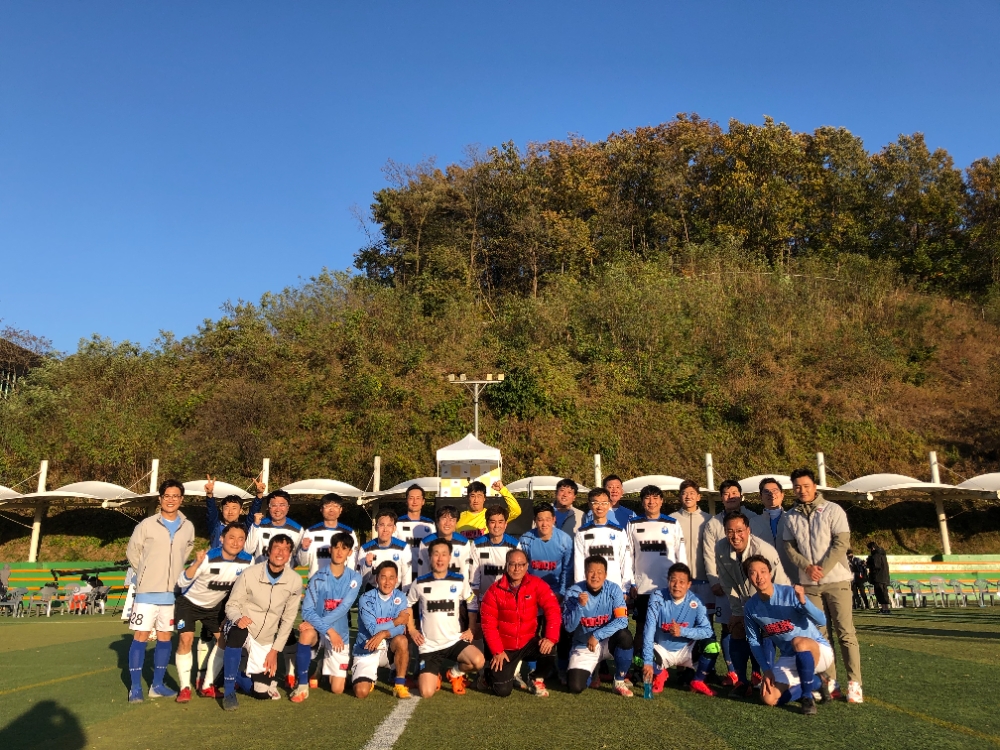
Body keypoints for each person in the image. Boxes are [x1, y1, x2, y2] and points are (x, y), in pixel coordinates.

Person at [782, 467, 863, 704]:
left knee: (845, 632)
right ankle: (830, 682)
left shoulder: (832, 509)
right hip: (809, 583)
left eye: (806, 486)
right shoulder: (790, 516)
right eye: (797, 487)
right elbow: (789, 547)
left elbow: (841, 542)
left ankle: (854, 683)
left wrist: (823, 568)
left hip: (836, 580)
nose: (802, 490)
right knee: (820, 635)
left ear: (815, 487)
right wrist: (807, 567)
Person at [124, 479, 195, 703]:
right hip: (147, 592)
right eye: (167, 496)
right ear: (160, 498)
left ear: (181, 499)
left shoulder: (188, 527)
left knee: (165, 638)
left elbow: (187, 550)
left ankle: (157, 685)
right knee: (141, 636)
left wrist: (175, 574)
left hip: (171, 594)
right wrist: (145, 573)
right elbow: (132, 552)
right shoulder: (146, 525)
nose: (171, 500)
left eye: (175, 496)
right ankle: (135, 687)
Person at [743, 555, 836, 716]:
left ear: (770, 573)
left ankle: (807, 698)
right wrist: (767, 670)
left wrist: (803, 601)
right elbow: (753, 641)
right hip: (790, 656)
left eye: (763, 571)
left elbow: (821, 621)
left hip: (817, 650)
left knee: (798, 642)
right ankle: (817, 682)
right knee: (768, 697)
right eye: (753, 573)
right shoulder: (751, 607)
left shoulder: (789, 593)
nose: (759, 577)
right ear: (749, 578)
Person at [221, 534, 303, 710]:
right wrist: (238, 618)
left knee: (261, 692)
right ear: (268, 551)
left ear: (289, 554)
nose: (280, 553)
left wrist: (274, 651)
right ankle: (229, 692)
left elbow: (288, 620)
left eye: (286, 549)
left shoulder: (295, 581)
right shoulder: (249, 573)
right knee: (237, 632)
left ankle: (234, 673)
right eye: (277, 548)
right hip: (243, 626)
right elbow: (231, 604)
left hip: (265, 639)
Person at [173, 522, 253, 701]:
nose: (236, 542)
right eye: (231, 538)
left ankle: (207, 686)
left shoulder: (248, 561)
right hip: (189, 603)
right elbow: (182, 582)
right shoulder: (208, 558)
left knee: (223, 640)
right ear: (222, 539)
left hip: (214, 607)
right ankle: (184, 688)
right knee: (186, 639)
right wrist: (196, 564)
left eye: (241, 539)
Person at [715, 511, 790, 696]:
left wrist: (770, 613)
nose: (735, 536)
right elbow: (727, 582)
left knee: (766, 631)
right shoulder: (721, 548)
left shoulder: (764, 551)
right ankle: (741, 682)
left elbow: (779, 583)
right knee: (737, 628)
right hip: (744, 601)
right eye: (730, 531)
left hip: (772, 600)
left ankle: (764, 679)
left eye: (739, 530)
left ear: (748, 530)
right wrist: (737, 612)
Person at [702, 478, 764, 684]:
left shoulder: (753, 518)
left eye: (734, 493)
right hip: (726, 584)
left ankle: (756, 672)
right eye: (726, 494)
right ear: (721, 498)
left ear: (741, 496)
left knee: (755, 626)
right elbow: (709, 554)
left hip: (752, 583)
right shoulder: (713, 523)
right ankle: (733, 672)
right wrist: (714, 580)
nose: (731, 497)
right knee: (730, 626)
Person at [406, 538, 485, 698]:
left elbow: (471, 601)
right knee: (426, 692)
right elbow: (407, 605)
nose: (440, 558)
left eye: (444, 554)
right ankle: (434, 674)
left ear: (449, 557)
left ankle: (454, 673)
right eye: (436, 554)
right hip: (429, 646)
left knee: (478, 661)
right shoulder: (419, 582)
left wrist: (471, 627)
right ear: (430, 557)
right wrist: (412, 629)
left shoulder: (459, 580)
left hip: (453, 641)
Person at [479, 548, 561, 697]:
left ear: (527, 566)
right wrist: (497, 651)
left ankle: (535, 678)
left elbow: (553, 608)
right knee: (502, 691)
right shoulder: (494, 591)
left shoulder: (536, 584)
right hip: (505, 648)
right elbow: (488, 625)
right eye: (512, 564)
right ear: (506, 565)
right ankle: (488, 675)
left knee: (550, 649)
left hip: (527, 641)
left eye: (521, 564)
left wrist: (550, 637)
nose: (517, 568)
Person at [291, 532, 362, 702]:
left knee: (337, 689)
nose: (339, 552)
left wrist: (326, 628)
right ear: (330, 550)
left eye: (344, 548)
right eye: (336, 547)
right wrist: (328, 630)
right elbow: (307, 611)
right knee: (306, 633)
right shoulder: (317, 578)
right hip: (322, 631)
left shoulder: (355, 578)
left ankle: (323, 665)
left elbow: (343, 609)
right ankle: (302, 685)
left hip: (339, 633)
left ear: (349, 552)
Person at [627, 485, 686, 674]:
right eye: (647, 498)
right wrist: (631, 582)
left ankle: (672, 669)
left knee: (670, 627)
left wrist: (682, 581)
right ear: (642, 501)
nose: (651, 502)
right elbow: (628, 555)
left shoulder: (672, 524)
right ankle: (638, 667)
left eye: (655, 498)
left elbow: (680, 555)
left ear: (661, 501)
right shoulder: (633, 524)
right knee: (642, 628)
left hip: (668, 588)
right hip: (642, 588)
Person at [641, 562, 718, 697]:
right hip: (662, 649)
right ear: (668, 581)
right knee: (638, 656)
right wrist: (647, 662)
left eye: (682, 582)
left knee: (712, 646)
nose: (677, 585)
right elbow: (649, 630)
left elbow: (707, 631)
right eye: (673, 580)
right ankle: (660, 673)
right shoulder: (657, 597)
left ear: (689, 584)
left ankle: (698, 680)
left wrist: (682, 631)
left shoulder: (696, 601)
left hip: (687, 650)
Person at [563, 555, 634, 697]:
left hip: (607, 642)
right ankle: (593, 672)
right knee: (575, 687)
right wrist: (579, 606)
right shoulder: (573, 592)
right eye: (591, 572)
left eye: (599, 572)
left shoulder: (614, 589)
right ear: (585, 573)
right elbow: (569, 627)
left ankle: (619, 681)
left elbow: (622, 621)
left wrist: (597, 635)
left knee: (625, 636)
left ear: (605, 575)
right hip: (584, 645)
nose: (595, 576)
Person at [518, 503, 574, 682]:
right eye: (540, 520)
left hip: (556, 594)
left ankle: (562, 668)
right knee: (532, 632)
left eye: (548, 519)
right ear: (535, 521)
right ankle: (534, 670)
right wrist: (527, 592)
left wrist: (562, 593)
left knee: (559, 632)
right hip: (532, 593)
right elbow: (521, 568)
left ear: (554, 520)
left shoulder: (565, 540)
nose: (544, 524)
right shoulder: (526, 539)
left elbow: (567, 570)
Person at [352, 561, 412, 699]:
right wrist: (396, 621)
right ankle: (368, 678)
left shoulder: (400, 597)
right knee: (361, 692)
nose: (387, 582)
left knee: (402, 640)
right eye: (383, 577)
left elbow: (401, 628)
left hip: (388, 650)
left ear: (396, 580)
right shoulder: (366, 599)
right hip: (367, 649)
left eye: (391, 578)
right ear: (376, 579)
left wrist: (384, 633)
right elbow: (373, 629)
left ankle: (399, 685)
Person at [669, 480, 715, 618]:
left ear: (698, 497)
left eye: (692, 493)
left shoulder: (709, 519)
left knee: (706, 621)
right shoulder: (671, 520)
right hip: (680, 581)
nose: (688, 496)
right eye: (684, 493)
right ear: (680, 497)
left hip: (705, 580)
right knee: (681, 619)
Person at [574, 488, 632, 593]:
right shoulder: (582, 532)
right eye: (596, 503)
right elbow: (579, 563)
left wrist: (625, 589)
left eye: (604, 503)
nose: (600, 507)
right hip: (590, 589)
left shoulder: (619, 531)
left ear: (609, 505)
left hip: (615, 588)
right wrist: (581, 589)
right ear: (589, 505)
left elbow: (625, 561)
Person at [298, 493, 359, 578]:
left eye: (335, 506)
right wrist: (304, 549)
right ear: (321, 509)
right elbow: (302, 563)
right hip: (316, 582)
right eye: (327, 506)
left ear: (341, 510)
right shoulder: (310, 532)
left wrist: (347, 580)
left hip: (340, 582)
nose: (331, 510)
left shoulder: (349, 532)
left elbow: (352, 561)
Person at [205, 474, 264, 552]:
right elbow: (211, 512)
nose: (230, 512)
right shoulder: (216, 527)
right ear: (222, 510)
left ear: (240, 511)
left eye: (234, 508)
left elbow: (253, 513)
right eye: (227, 508)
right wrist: (209, 494)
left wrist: (259, 494)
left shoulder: (245, 527)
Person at [357, 509, 413, 592]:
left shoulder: (403, 548)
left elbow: (407, 579)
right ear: (376, 527)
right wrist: (367, 566)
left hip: (395, 592)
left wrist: (404, 598)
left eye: (389, 525)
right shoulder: (365, 549)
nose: (385, 529)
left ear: (394, 528)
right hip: (372, 591)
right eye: (382, 525)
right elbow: (361, 583)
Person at [244, 490, 303, 564]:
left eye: (282, 505)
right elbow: (247, 550)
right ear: (268, 507)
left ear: (288, 507)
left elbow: (301, 560)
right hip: (261, 569)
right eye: (274, 505)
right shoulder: (259, 525)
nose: (278, 509)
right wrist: (255, 525)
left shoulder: (297, 530)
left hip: (286, 570)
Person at [416, 505, 475, 578]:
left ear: (456, 523)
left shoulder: (464, 542)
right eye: (444, 519)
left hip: (456, 584)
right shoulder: (426, 543)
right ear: (437, 522)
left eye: (452, 520)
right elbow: (423, 572)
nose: (447, 523)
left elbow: (464, 572)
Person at [757, 477, 795, 583]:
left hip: (793, 578)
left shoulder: (793, 519)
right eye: (766, 492)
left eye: (775, 491)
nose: (771, 494)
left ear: (782, 495)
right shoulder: (753, 522)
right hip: (765, 580)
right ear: (761, 496)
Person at [457, 479, 521, 540]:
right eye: (472, 496)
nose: (476, 500)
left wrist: (503, 490)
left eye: (479, 496)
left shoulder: (492, 515)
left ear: (484, 498)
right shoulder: (458, 518)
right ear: (468, 498)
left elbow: (516, 510)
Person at [396, 485, 435, 571]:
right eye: (411, 498)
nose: (414, 501)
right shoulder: (397, 523)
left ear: (423, 501)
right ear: (406, 501)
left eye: (418, 498)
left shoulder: (430, 524)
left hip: (424, 573)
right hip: (402, 572)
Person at [866, 541, 892, 614]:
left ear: (872, 548)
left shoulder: (876, 555)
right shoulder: (882, 554)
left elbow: (876, 566)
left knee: (880, 593)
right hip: (884, 577)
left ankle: (884, 609)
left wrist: (868, 564)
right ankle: (886, 609)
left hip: (878, 577)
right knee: (884, 593)